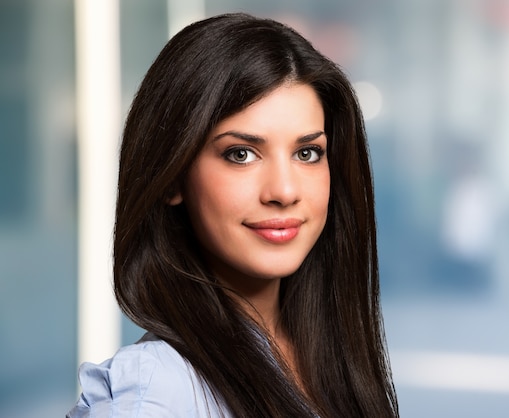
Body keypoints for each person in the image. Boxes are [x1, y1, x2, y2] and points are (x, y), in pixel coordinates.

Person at [67, 12, 399, 417]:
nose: (284, 191)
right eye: (240, 154)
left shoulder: (326, 358)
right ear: (172, 176)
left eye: (307, 153)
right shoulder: (155, 388)